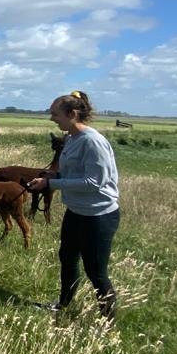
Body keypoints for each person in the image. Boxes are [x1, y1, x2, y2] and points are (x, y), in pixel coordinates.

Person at [29, 91, 120, 319]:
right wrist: (52, 175)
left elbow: (94, 182)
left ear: (72, 114)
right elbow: (75, 172)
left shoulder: (93, 142)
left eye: (55, 114)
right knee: (67, 258)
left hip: (98, 216)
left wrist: (52, 183)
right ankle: (63, 304)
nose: (52, 118)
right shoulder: (71, 138)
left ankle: (107, 321)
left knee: (96, 272)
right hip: (76, 212)